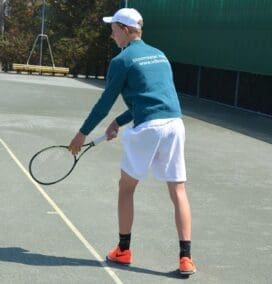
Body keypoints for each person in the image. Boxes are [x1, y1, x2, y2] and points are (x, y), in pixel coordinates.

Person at [68, 8, 196, 275]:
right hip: (175, 124)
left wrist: (82, 134)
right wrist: (119, 122)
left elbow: (105, 103)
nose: (111, 34)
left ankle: (123, 251)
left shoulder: (122, 60)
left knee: (126, 188)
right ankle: (186, 258)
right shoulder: (160, 55)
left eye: (113, 29)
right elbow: (153, 98)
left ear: (126, 30)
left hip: (148, 128)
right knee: (178, 191)